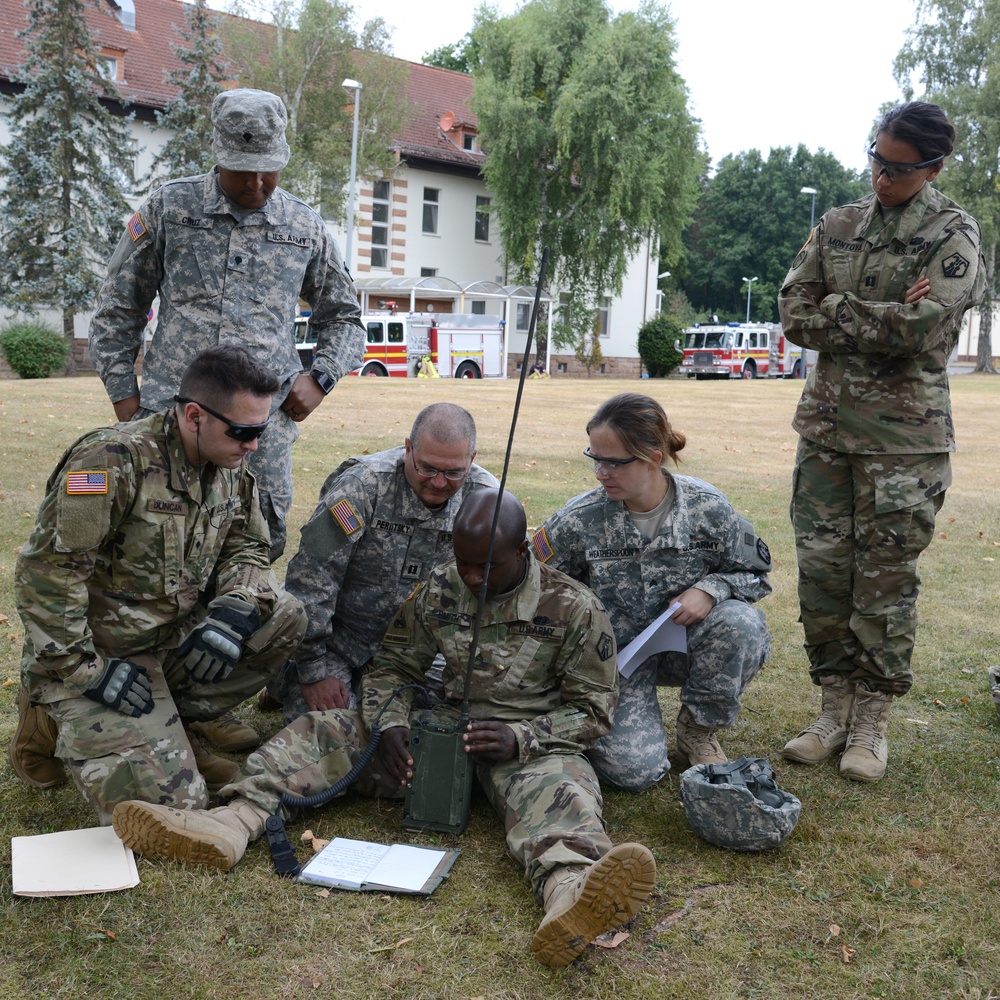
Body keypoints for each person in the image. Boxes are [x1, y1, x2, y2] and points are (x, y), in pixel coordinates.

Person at [111, 489, 657, 968]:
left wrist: (523, 738)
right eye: (463, 564)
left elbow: (593, 710)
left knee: (563, 791)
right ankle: (233, 822)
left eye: (484, 569)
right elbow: (394, 666)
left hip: (527, 750)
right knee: (324, 730)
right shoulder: (443, 589)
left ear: (523, 551)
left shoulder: (574, 607)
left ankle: (571, 894)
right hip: (439, 735)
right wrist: (392, 726)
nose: (470, 579)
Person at [777, 101, 985, 783]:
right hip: (829, 433)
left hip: (905, 444)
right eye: (876, 158)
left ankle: (872, 721)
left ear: (934, 168)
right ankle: (832, 708)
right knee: (825, 576)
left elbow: (927, 326)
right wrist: (877, 313)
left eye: (897, 169)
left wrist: (839, 308)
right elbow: (793, 311)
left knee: (885, 587)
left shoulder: (954, 233)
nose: (880, 177)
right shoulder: (836, 223)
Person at [11, 346, 307, 821]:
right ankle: (45, 710)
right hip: (103, 655)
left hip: (169, 639)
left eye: (261, 431)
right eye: (244, 432)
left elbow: (248, 548)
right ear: (194, 415)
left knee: (286, 615)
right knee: (174, 808)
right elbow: (48, 573)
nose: (253, 445)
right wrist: (87, 671)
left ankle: (175, 725)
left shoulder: (229, 468)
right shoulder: (110, 462)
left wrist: (234, 609)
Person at [88, 88, 365, 567]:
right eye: (243, 169)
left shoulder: (303, 226)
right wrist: (125, 397)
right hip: (173, 417)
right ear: (218, 153)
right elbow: (117, 308)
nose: (257, 183)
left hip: (261, 429)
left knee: (259, 540)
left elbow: (344, 317)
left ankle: (233, 629)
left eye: (269, 169)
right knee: (150, 540)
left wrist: (320, 378)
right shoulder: (170, 210)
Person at [533, 392, 772, 790]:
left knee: (741, 625)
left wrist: (711, 589)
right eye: (595, 458)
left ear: (653, 458)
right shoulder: (580, 520)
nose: (600, 473)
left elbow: (756, 574)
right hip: (612, 663)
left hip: (685, 649)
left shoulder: (707, 509)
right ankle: (587, 713)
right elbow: (531, 585)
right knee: (634, 773)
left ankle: (699, 730)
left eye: (614, 462)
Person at [265, 402, 498, 722]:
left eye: (453, 472)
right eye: (427, 468)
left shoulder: (487, 500)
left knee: (448, 728)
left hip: (422, 655)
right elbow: (310, 577)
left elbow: (502, 591)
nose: (439, 483)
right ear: (407, 449)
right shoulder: (361, 486)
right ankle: (285, 679)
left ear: (471, 460)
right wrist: (314, 671)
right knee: (333, 735)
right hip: (341, 644)